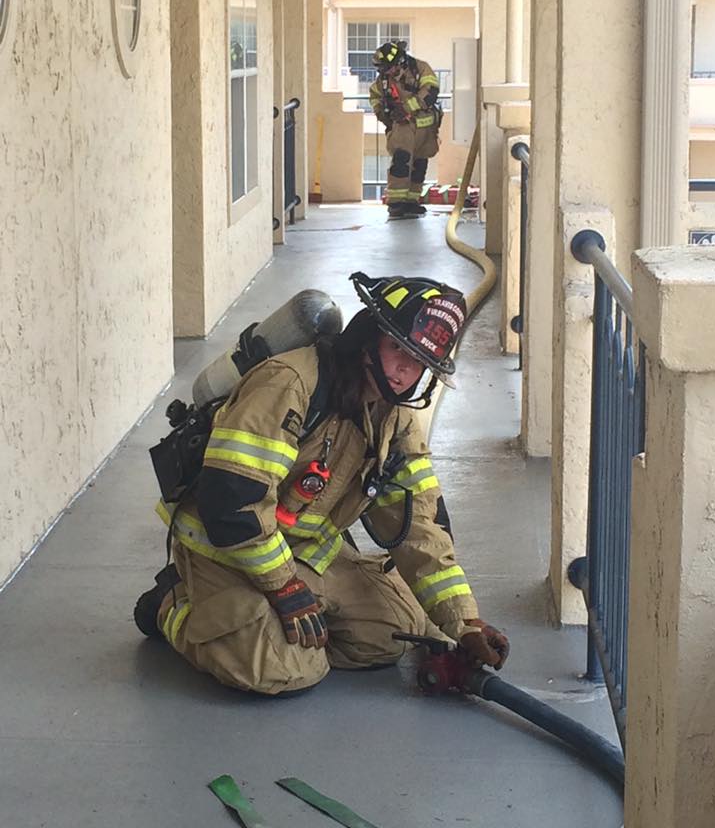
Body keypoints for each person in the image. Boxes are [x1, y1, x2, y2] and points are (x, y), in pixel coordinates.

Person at [134, 272, 510, 696]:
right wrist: (284, 587)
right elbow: (233, 506)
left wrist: (465, 622)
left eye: (421, 361)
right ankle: (173, 605)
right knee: (282, 670)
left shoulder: (395, 420)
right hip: (224, 549)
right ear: (368, 337)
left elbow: (421, 528)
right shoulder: (289, 384)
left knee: (395, 634)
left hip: (302, 550)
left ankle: (261, 621)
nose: (408, 370)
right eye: (397, 350)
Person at [369, 42, 442, 220]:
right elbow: (375, 98)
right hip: (401, 128)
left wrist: (407, 108)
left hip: (425, 127)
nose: (385, 73)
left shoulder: (421, 69)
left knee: (420, 164)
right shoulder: (384, 80)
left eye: (388, 68)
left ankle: (412, 201)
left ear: (400, 61)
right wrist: (387, 116)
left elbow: (431, 91)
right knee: (401, 160)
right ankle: (396, 203)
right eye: (383, 70)